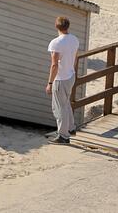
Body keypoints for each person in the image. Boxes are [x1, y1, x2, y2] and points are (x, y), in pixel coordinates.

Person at [46, 16, 79, 144]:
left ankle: (63, 135)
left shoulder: (56, 43)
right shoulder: (74, 39)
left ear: (56, 26)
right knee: (66, 104)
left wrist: (50, 83)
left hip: (60, 78)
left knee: (59, 107)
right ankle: (70, 128)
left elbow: (54, 65)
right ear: (68, 26)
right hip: (70, 75)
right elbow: (75, 58)